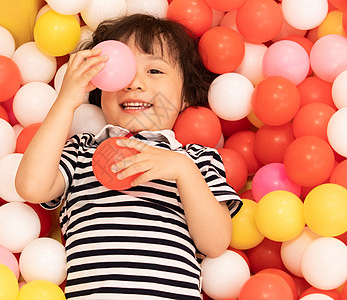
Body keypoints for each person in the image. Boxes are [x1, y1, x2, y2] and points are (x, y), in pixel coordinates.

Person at [16, 14, 242, 299]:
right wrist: (66, 101)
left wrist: (183, 171)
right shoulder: (82, 150)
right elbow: (31, 186)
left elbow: (215, 243)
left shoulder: (195, 160)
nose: (134, 83)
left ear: (186, 95)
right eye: (121, 71)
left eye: (155, 71)